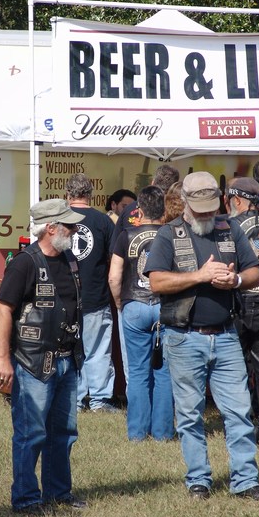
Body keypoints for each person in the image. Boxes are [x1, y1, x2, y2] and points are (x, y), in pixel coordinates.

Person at [144, 171, 259, 501]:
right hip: (184, 337)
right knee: (190, 415)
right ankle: (198, 480)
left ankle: (245, 481)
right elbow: (156, 282)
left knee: (239, 411)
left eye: (211, 208)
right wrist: (199, 276)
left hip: (226, 334)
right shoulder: (168, 235)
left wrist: (236, 281)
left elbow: (255, 271)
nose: (207, 215)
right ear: (185, 203)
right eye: (200, 210)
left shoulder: (230, 229)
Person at [0, 198, 87, 516]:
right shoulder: (24, 263)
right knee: (31, 433)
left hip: (67, 359)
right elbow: (2, 310)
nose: (75, 230)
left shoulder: (70, 259)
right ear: (51, 228)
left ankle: (58, 493)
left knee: (63, 432)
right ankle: (26, 499)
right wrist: (3, 359)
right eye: (69, 226)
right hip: (33, 362)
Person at [108, 186, 175, 441]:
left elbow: (114, 277)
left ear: (140, 210)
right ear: (163, 208)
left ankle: (137, 433)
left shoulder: (125, 235)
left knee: (137, 373)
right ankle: (163, 432)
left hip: (134, 304)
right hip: (165, 306)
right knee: (164, 372)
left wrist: (120, 303)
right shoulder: (172, 234)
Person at [226, 177, 259, 446]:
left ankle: (241, 422)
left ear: (237, 200)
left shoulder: (231, 226)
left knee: (234, 369)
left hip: (239, 302)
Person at [66, 173, 118, 412]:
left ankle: (74, 401)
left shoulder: (60, 219)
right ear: (90, 194)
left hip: (65, 298)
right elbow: (113, 258)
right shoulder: (103, 221)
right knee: (98, 351)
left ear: (68, 194)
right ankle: (99, 401)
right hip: (95, 296)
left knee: (68, 352)